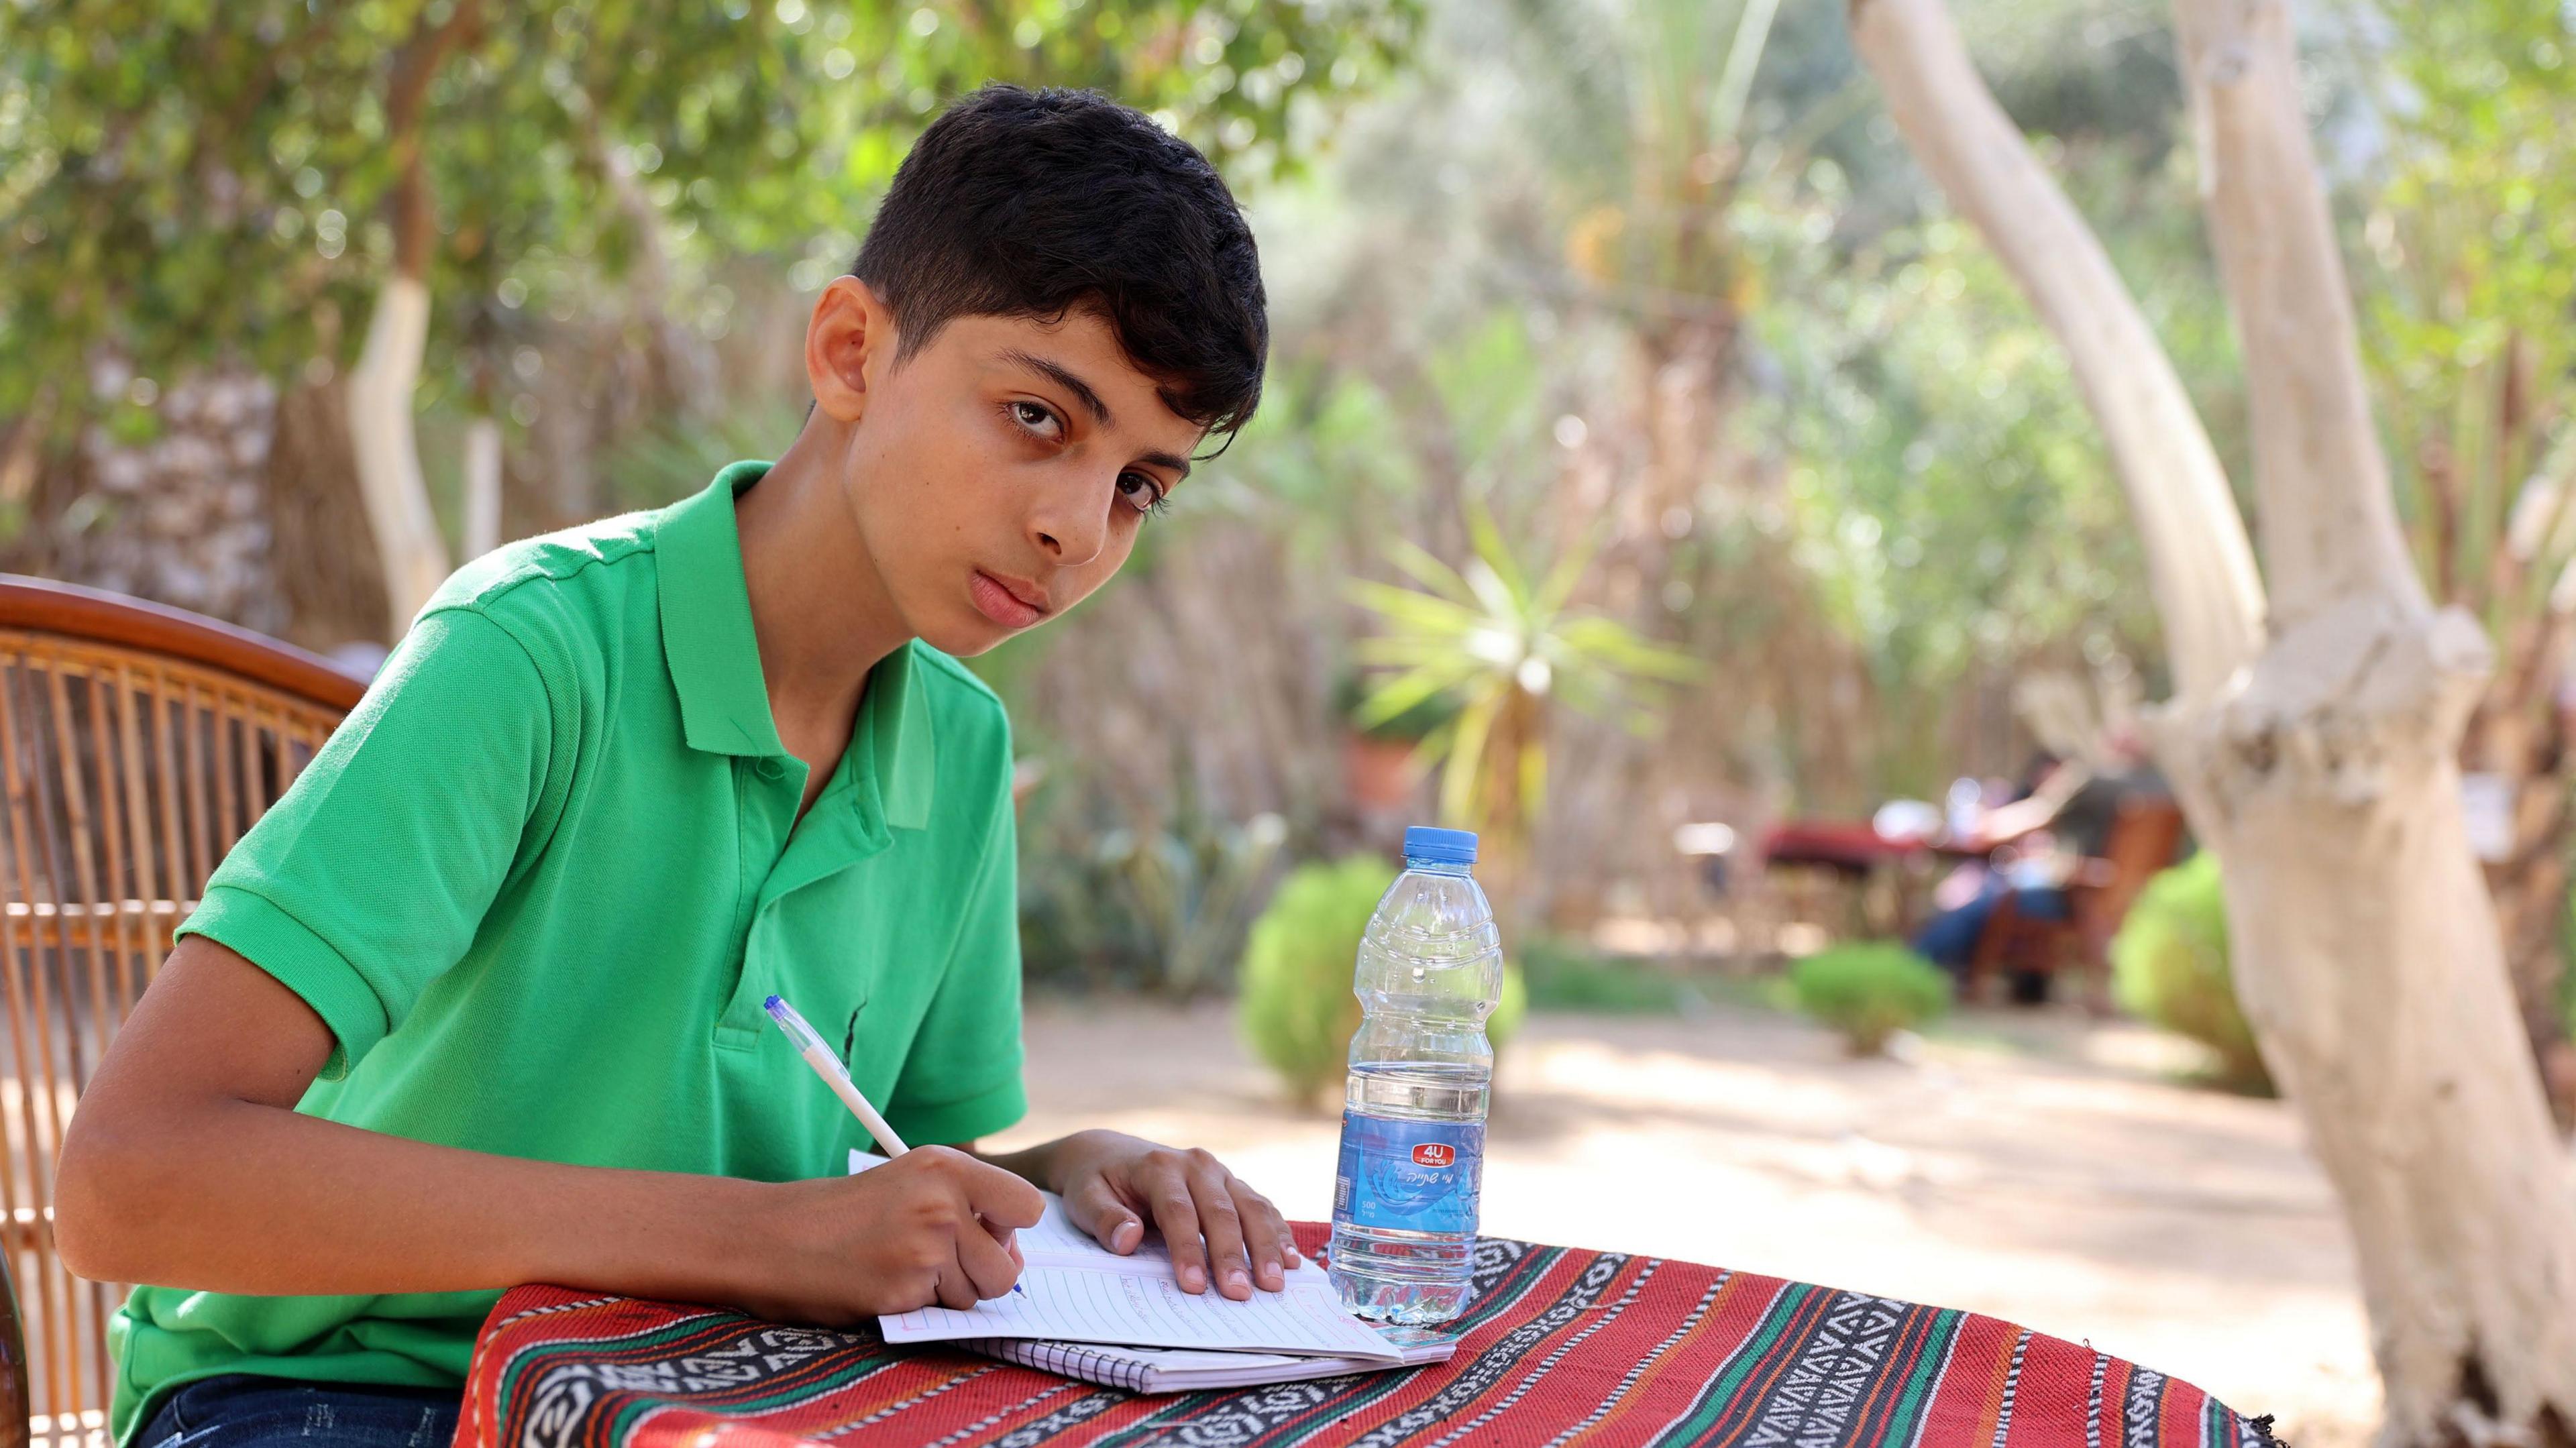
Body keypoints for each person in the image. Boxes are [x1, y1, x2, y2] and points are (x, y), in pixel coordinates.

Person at [56, 87, 1288, 1448]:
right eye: (1039, 417)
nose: (1077, 527)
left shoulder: (962, 739)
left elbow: (886, 1166)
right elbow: (131, 1177)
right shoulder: (532, 654)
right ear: (850, 351)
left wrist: (1068, 1176)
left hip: (696, 1398)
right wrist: (763, 1236)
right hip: (339, 1390)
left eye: (1140, 485)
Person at [1911, 734, 2171, 978]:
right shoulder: (2163, 789)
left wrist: (1978, 825)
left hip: (2073, 897)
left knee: (1982, 898)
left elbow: (2028, 819)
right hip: (2125, 895)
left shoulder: (2091, 781)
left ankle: (1917, 967)